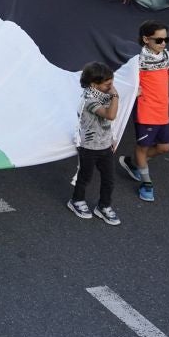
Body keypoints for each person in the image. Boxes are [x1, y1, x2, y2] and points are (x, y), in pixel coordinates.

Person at [119, 20, 169, 201]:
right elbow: (128, 80)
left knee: (164, 147)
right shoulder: (138, 62)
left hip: (162, 111)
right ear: (146, 39)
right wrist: (135, 90)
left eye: (166, 39)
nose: (163, 44)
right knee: (143, 148)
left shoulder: (165, 59)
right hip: (146, 112)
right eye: (159, 40)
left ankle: (134, 163)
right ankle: (146, 184)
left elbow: (167, 79)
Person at [67, 62, 121, 225]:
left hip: (105, 146)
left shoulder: (101, 94)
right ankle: (76, 201)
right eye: (108, 84)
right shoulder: (89, 100)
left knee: (109, 179)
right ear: (93, 84)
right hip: (89, 147)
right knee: (85, 177)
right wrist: (116, 95)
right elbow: (110, 115)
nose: (111, 87)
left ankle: (103, 206)